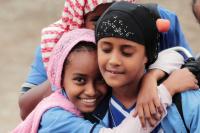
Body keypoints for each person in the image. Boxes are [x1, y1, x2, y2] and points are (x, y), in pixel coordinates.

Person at [18, 0, 193, 120]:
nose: (109, 26)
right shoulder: (57, 43)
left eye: (127, 51)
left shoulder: (156, 21)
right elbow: (27, 110)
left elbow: (189, 70)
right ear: (79, 20)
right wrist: (64, 69)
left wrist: (152, 77)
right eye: (97, 21)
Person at [12, 28, 197, 133]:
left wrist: (152, 76)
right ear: (59, 78)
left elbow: (174, 53)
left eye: (100, 79)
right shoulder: (55, 117)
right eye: (79, 80)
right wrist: (166, 89)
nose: (91, 91)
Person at [95, 1, 200, 132]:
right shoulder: (90, 106)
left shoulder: (186, 99)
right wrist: (166, 90)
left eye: (126, 53)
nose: (114, 61)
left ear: (148, 55)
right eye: (106, 49)